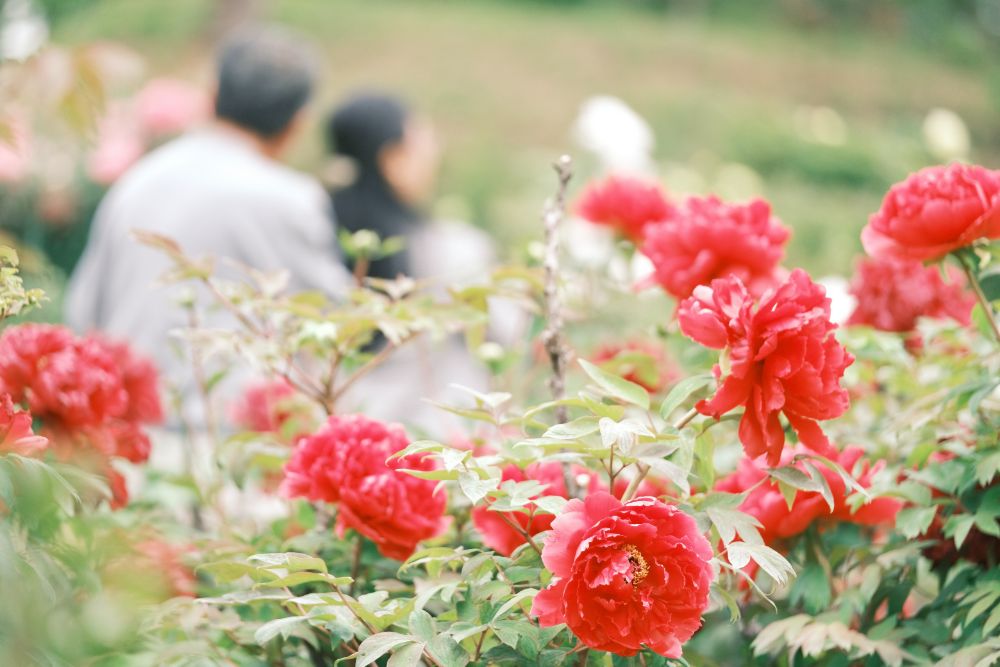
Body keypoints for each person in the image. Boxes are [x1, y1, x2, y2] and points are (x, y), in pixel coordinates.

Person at [65, 27, 351, 426]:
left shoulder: (138, 179)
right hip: (230, 446)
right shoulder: (290, 199)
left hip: (122, 431)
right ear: (297, 123)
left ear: (213, 96)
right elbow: (333, 326)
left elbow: (83, 311)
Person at [325, 92, 518, 437]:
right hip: (444, 444)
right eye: (423, 141)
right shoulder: (455, 252)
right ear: (392, 159)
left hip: (353, 434)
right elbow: (507, 334)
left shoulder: (318, 239)